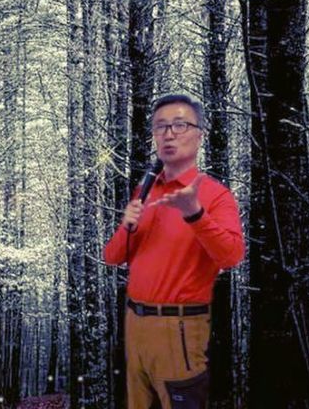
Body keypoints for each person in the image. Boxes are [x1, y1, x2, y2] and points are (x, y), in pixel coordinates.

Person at [103, 94, 245, 409]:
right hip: (135, 324)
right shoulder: (145, 191)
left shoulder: (215, 195)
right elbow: (112, 256)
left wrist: (195, 213)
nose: (168, 134)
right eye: (160, 126)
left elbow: (232, 256)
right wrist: (127, 225)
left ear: (200, 135)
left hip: (178, 328)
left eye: (180, 125)